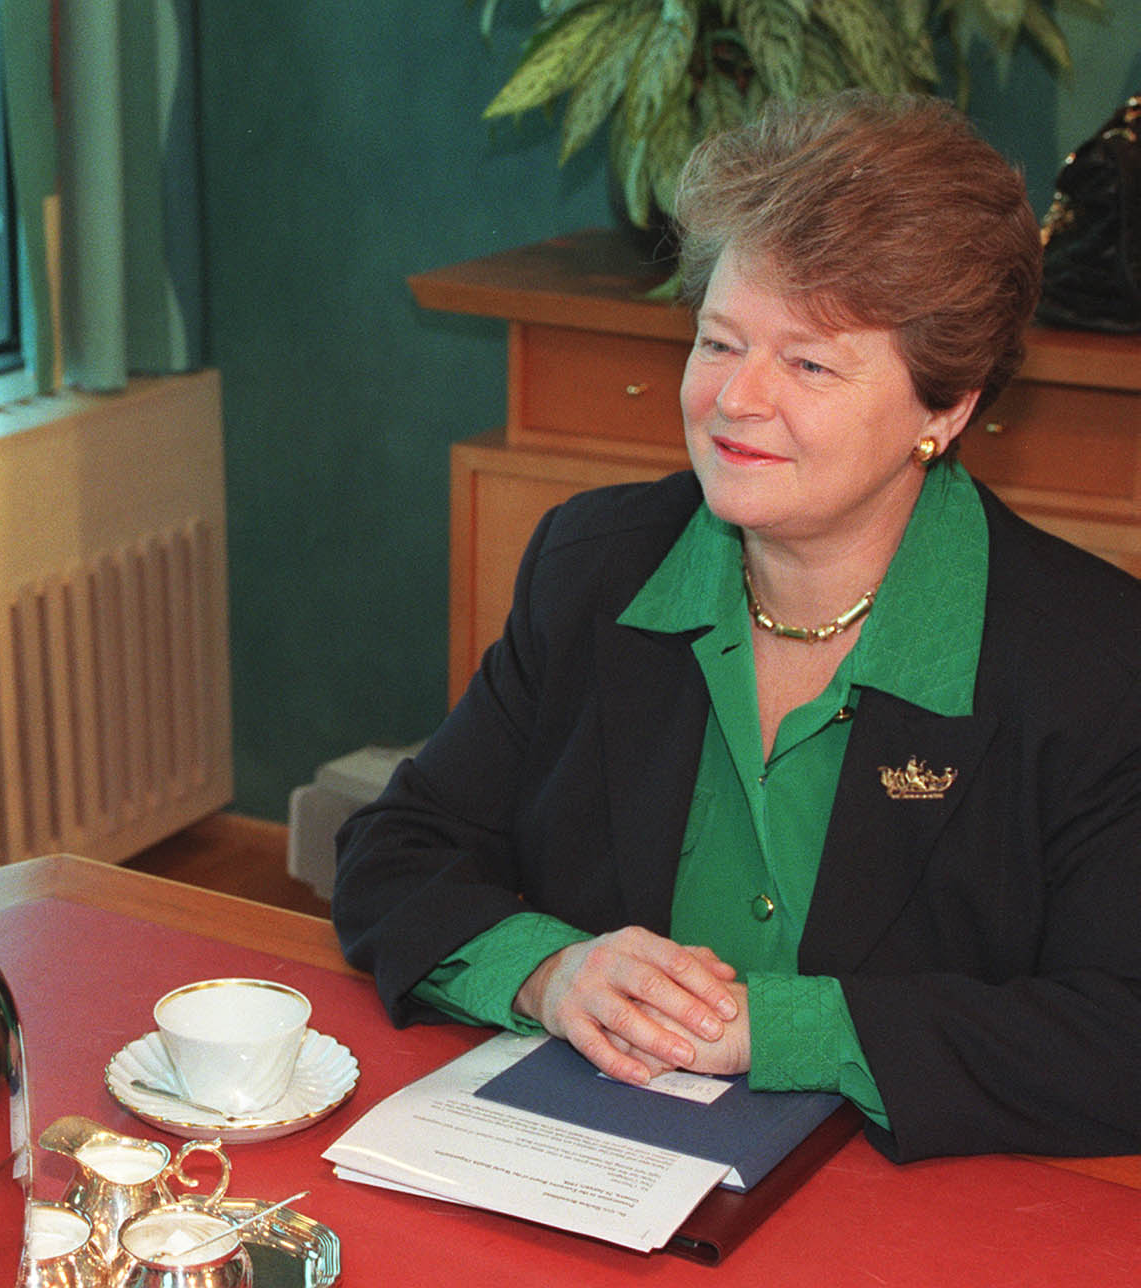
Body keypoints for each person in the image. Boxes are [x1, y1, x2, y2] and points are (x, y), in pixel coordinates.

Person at [333, 91, 1141, 1162]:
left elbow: (1117, 1031)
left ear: (943, 409)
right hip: (595, 1173)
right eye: (719, 341)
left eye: (806, 363)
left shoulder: (1097, 663)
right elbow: (394, 851)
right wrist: (545, 969)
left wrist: (781, 1028)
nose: (734, 399)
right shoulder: (591, 567)